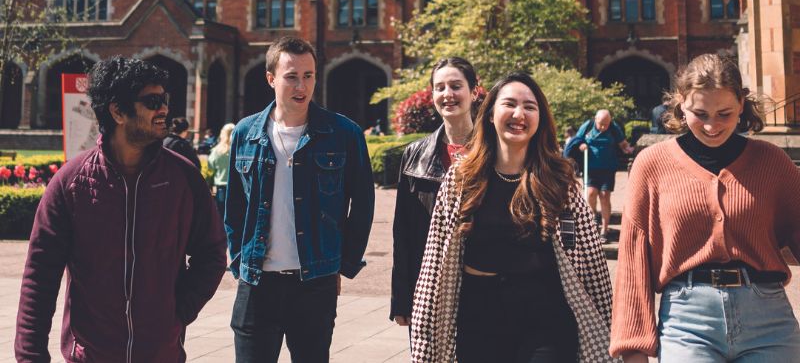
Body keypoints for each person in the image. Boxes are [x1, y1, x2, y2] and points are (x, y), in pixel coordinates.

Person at [15, 56, 226, 362]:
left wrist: (177, 313)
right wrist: (30, 356)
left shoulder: (183, 178)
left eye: (165, 99)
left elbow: (212, 252)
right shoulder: (71, 182)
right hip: (90, 355)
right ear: (117, 111)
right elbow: (40, 275)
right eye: (152, 101)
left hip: (160, 355)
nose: (164, 109)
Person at [411, 72, 615, 363]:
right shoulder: (461, 178)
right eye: (510, 104)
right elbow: (434, 260)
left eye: (530, 107)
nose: (519, 114)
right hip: (479, 312)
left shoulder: (559, 180)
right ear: (491, 114)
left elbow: (592, 261)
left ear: (540, 120)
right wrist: (423, 334)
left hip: (545, 316)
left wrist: (611, 330)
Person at [611, 53, 800, 362]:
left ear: (742, 104)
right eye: (700, 113)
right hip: (687, 322)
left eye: (724, 113)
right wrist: (633, 347)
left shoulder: (772, 162)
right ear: (681, 104)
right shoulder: (652, 165)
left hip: (769, 322)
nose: (712, 125)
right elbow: (634, 259)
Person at [225, 36, 375, 363]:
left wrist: (342, 264)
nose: (301, 85)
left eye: (308, 76)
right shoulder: (245, 133)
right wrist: (238, 259)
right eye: (291, 76)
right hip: (257, 283)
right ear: (271, 79)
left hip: (314, 284)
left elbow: (362, 204)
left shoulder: (344, 133)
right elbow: (233, 206)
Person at [390, 57, 479, 328]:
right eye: (440, 88)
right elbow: (403, 233)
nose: (447, 95)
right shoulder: (415, 155)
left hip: (483, 284)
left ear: (474, 91)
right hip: (431, 285)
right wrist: (402, 299)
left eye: (456, 86)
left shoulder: (493, 152)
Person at [574, 109, 633, 244]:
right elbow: (577, 141)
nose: (603, 127)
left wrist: (628, 149)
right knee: (590, 194)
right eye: (601, 124)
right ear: (595, 119)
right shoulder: (588, 126)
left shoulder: (613, 128)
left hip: (608, 168)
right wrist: (581, 145)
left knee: (605, 195)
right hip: (590, 168)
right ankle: (593, 220)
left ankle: (604, 230)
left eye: (606, 124)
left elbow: (623, 144)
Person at [208, 123, 235, 219]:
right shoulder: (237, 150)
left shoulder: (216, 151)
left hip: (221, 188)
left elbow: (210, 168)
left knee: (221, 215)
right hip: (236, 187)